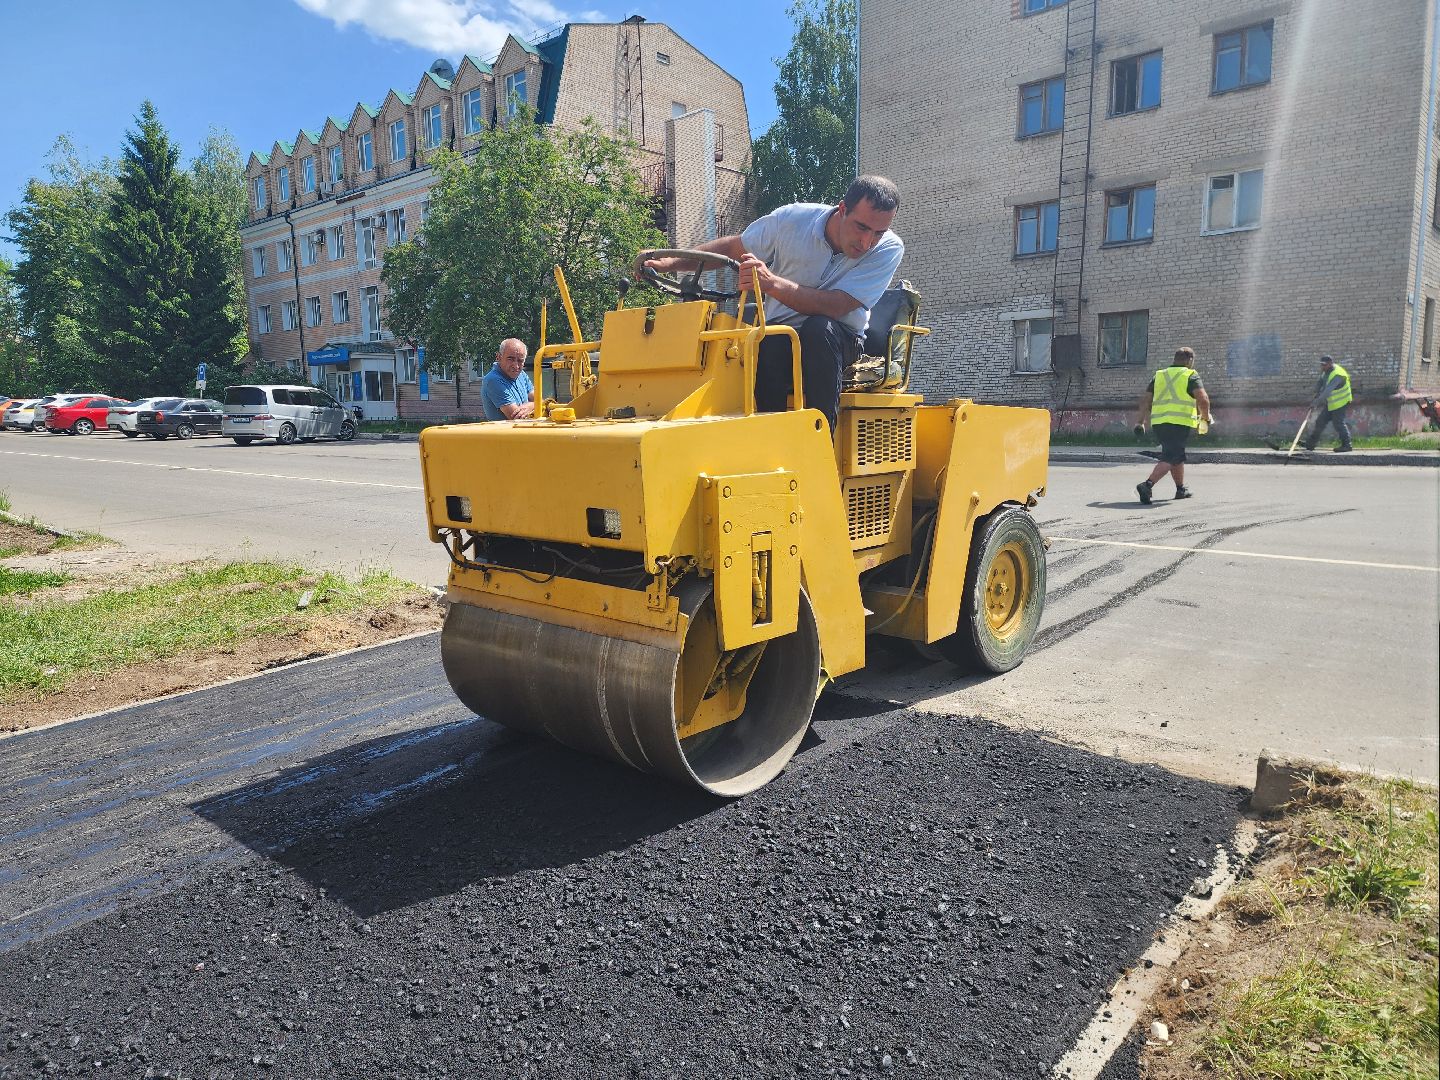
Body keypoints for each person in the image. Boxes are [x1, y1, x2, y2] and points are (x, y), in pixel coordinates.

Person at [643, 175, 905, 432]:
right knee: (766, 340)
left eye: (878, 233)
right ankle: (767, 437)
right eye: (861, 227)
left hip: (841, 342)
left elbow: (836, 306)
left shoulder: (889, 248)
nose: (867, 242)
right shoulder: (792, 220)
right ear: (843, 209)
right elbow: (734, 248)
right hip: (781, 338)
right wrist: (670, 263)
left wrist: (770, 283)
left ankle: (821, 439)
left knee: (818, 329)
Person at [1133, 347, 1214, 504]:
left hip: (1159, 423)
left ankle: (1180, 489)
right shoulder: (1190, 375)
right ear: (1190, 360)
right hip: (1179, 422)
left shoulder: (1159, 375)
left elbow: (1146, 400)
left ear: (1174, 359)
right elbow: (1203, 399)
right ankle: (1147, 485)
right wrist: (1205, 418)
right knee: (1171, 456)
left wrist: (1140, 422)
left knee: (1175, 455)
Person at [1303, 355, 1353, 452]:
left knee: (1338, 423)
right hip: (1332, 403)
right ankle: (1310, 444)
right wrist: (1315, 392)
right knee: (1320, 421)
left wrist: (1315, 403)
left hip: (1341, 402)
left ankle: (1347, 445)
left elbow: (1327, 391)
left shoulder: (1338, 375)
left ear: (1330, 364)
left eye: (1324, 365)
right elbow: (1320, 382)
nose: (1322, 367)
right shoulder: (1326, 371)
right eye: (1321, 364)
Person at [481, 338, 534, 421]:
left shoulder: (522, 375)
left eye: (520, 361)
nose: (516, 366)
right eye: (510, 359)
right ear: (498, 357)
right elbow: (517, 418)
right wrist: (535, 405)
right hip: (507, 429)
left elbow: (541, 401)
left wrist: (532, 406)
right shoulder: (493, 380)